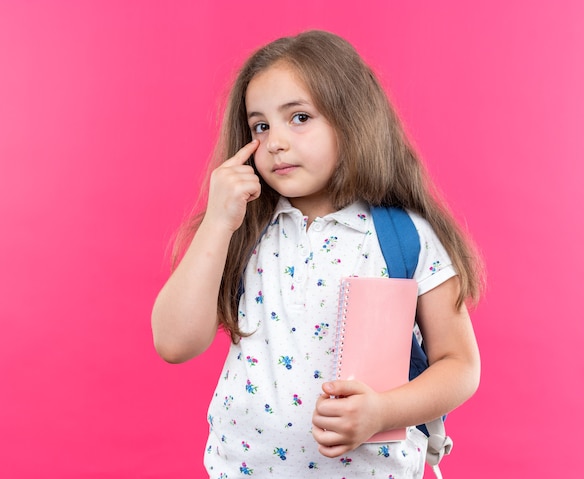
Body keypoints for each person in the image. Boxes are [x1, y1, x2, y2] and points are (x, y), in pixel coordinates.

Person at [152, 30, 483, 478]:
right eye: (261, 126)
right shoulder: (245, 229)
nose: (275, 142)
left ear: (352, 119)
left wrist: (382, 411)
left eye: (300, 117)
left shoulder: (405, 236)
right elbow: (174, 343)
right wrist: (216, 223)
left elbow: (459, 365)